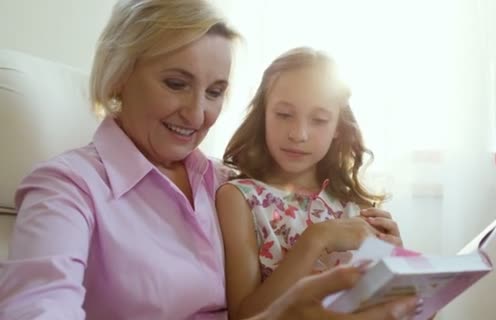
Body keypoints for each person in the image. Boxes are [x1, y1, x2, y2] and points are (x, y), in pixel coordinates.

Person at [0, 0, 421, 319]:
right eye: (176, 83)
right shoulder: (67, 188)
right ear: (119, 75)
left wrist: (388, 266)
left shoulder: (227, 182)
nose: (198, 113)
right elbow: (39, 307)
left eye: (215, 92)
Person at [217, 47, 417, 320]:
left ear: (338, 128)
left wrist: (398, 265)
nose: (298, 134)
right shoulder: (239, 198)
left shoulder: (354, 206)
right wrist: (317, 238)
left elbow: (408, 311)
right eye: (284, 114)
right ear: (263, 114)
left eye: (319, 120)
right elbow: (245, 316)